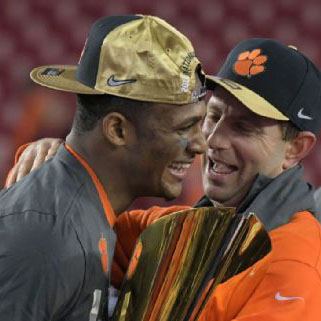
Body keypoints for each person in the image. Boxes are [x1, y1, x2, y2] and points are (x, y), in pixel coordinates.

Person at [8, 39, 321, 320]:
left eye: (244, 127)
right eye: (213, 116)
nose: (213, 139)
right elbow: (76, 227)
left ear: (295, 149)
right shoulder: (179, 228)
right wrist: (65, 162)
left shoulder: (295, 267)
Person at [0, 15, 207, 321]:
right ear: (118, 131)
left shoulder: (84, 210)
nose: (199, 144)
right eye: (184, 128)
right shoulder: (49, 234)